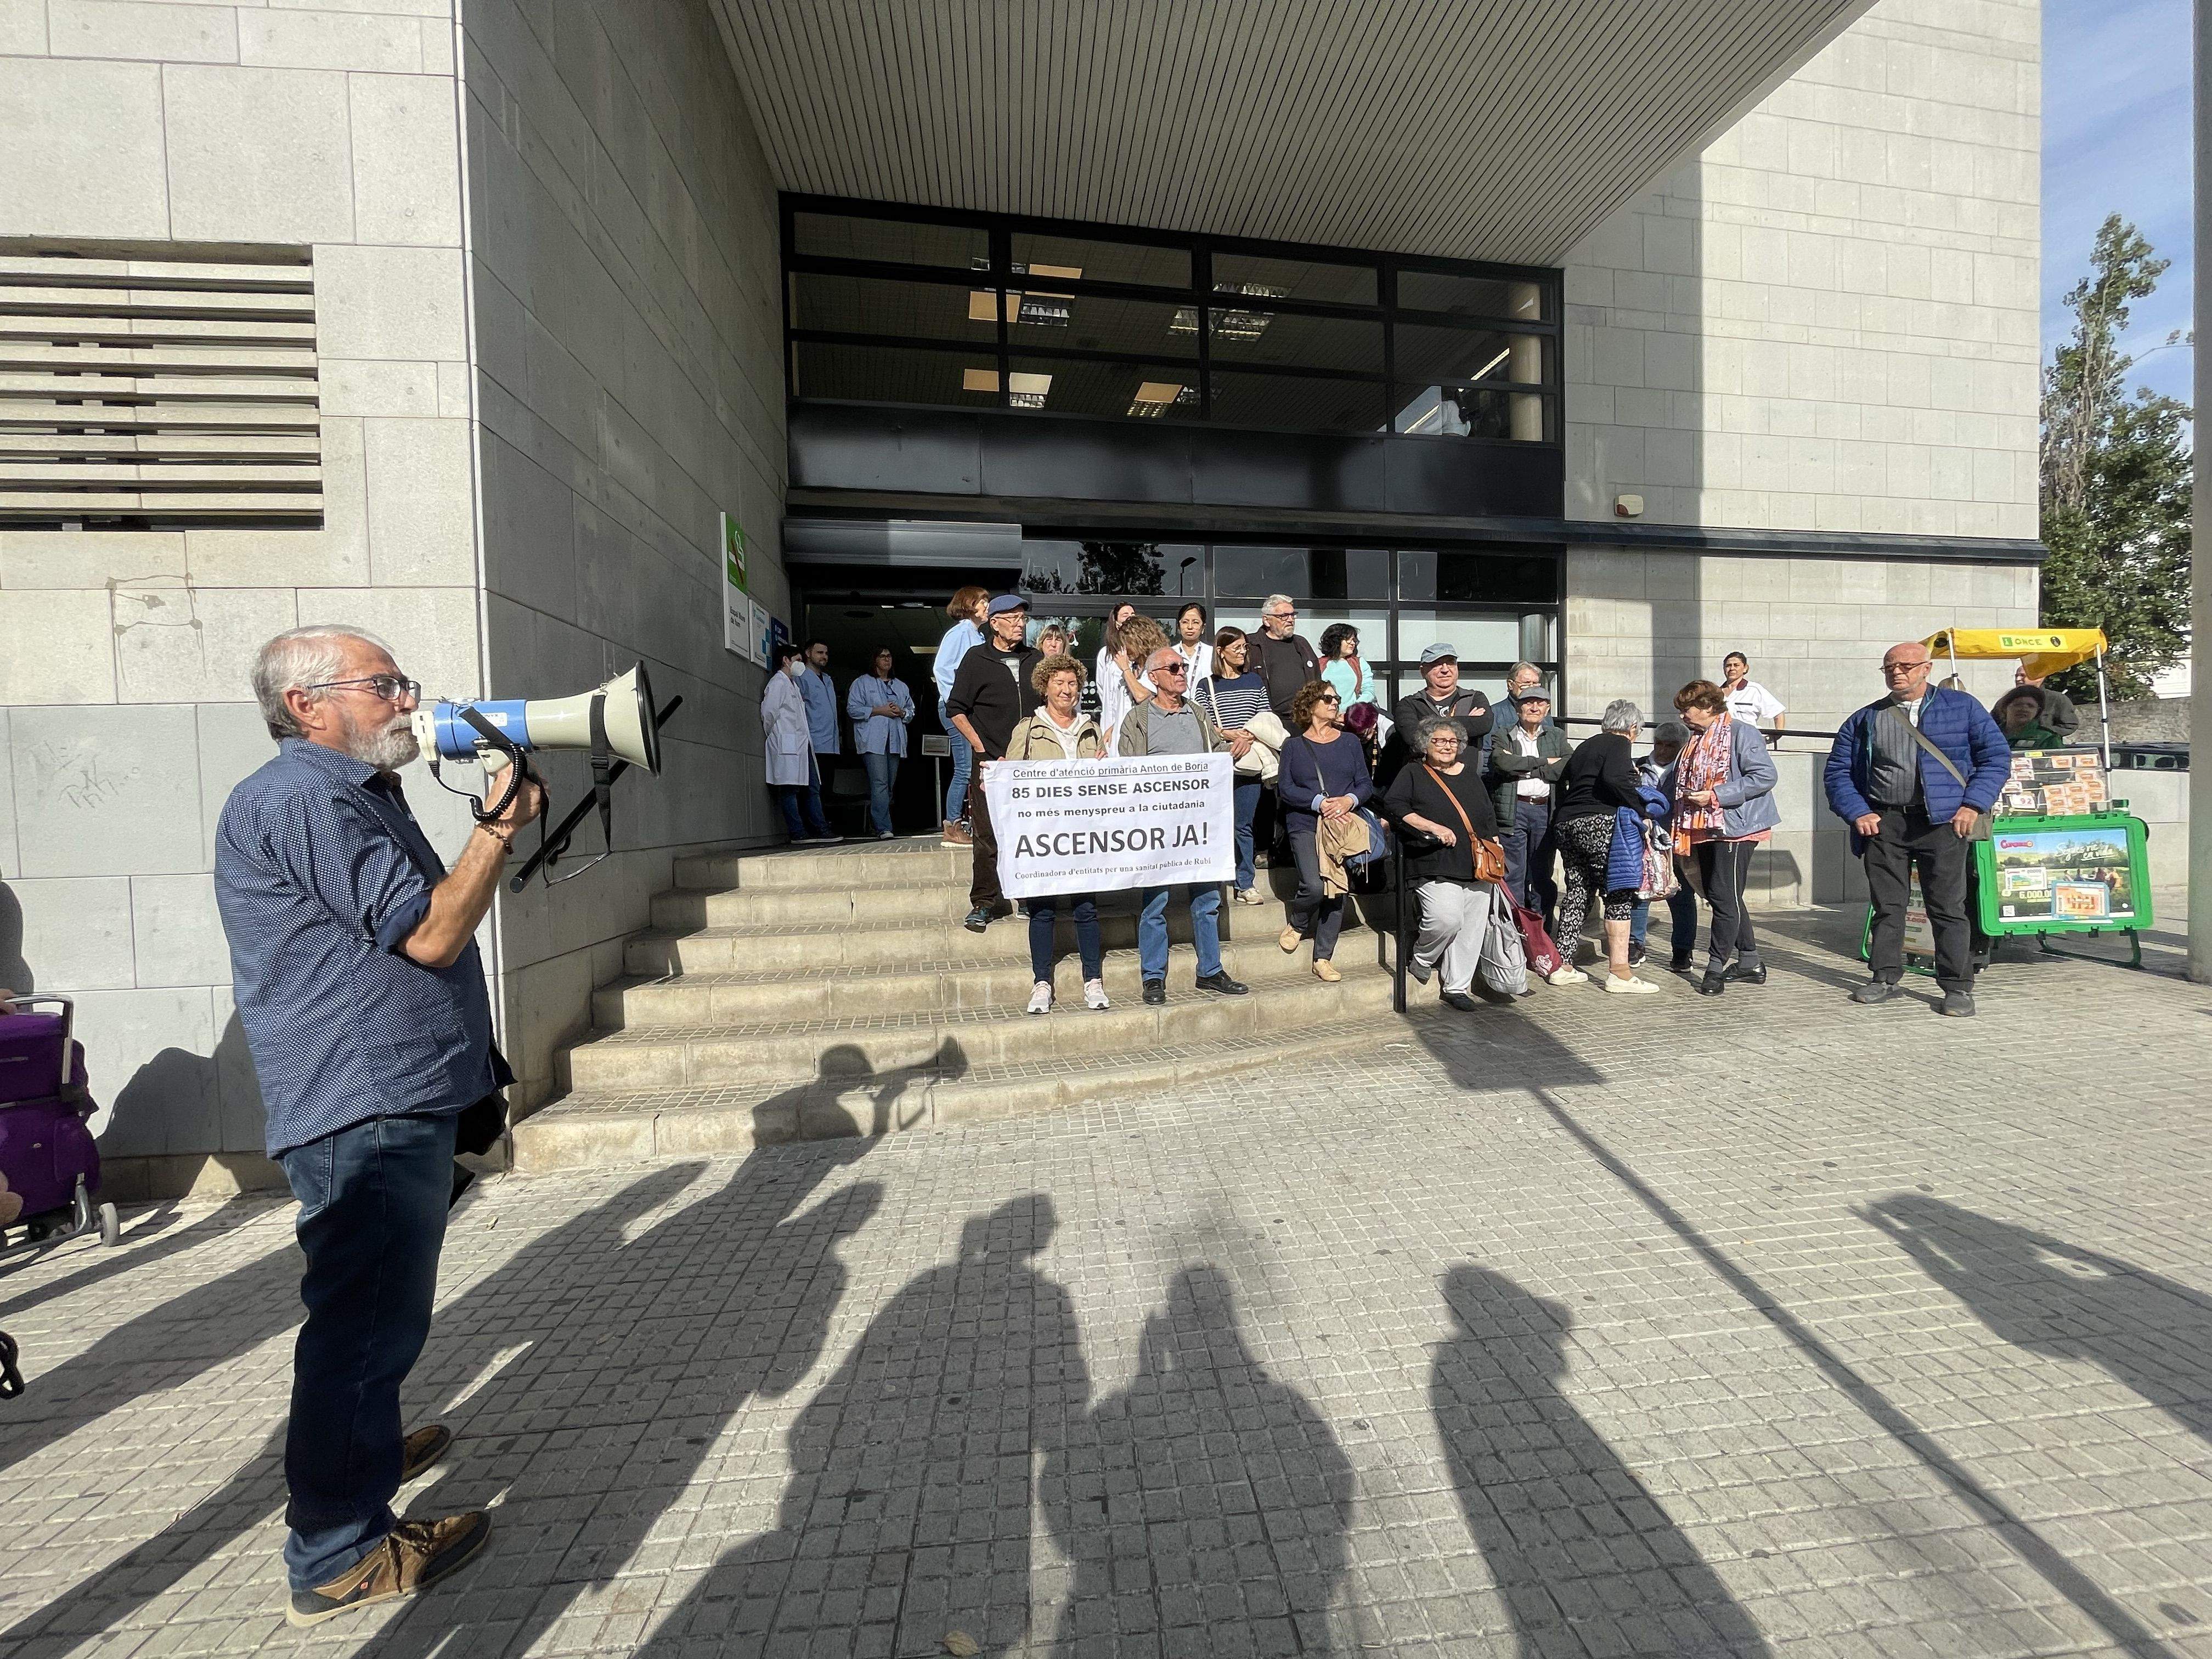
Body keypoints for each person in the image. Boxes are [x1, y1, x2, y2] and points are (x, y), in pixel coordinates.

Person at [214, 624, 545, 1623]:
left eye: (402, 682)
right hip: (363, 1102)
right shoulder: (307, 796)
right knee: (362, 1322)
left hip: (387, 1093)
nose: (407, 699)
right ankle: (337, 1547)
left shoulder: (337, 789)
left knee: (371, 1316)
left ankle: (357, 1448)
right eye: (382, 684)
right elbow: (435, 929)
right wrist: (492, 829)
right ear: (308, 705)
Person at [1824, 640, 2010, 1016]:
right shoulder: (1865, 718)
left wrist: (1972, 805)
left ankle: (1958, 987)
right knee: (1888, 906)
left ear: (1927, 668)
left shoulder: (1963, 708)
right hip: (1884, 822)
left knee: (1947, 907)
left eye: (1906, 666)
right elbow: (1838, 772)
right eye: (1890, 667)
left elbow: (1995, 758)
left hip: (1943, 822)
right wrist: (1858, 811)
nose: (1897, 672)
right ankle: (1884, 978)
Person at [1115, 646, 1251, 1005]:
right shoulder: (1138, 719)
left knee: (1207, 900)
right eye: (1173, 667)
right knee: (1155, 902)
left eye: (1184, 667)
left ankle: (1210, 971)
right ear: (1154, 676)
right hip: (1158, 827)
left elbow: (1214, 757)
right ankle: (1154, 977)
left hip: (1198, 826)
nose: (1181, 672)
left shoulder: (1198, 713)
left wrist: (1232, 749)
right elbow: (1129, 772)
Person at [1004, 653, 1109, 1013]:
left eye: (1073, 683)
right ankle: (1041, 983)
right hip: (1043, 835)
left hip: (1083, 834)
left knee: (1086, 909)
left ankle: (1093, 980)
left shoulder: (1091, 728)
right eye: (1060, 683)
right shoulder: (1029, 729)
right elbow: (1012, 778)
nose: (1067, 690)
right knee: (1043, 911)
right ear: (1045, 687)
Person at [1667, 681, 1781, 996]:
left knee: (1722, 897)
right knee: (1726, 896)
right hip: (1701, 827)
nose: (1682, 717)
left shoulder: (1742, 733)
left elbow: (1765, 776)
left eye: (1686, 710)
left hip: (1736, 828)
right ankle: (1750, 961)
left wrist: (1717, 795)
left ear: (1707, 707)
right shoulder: (1694, 739)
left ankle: (1715, 967)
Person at [1381, 716, 1499, 1012]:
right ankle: (1422, 956)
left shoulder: (1471, 775)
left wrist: (1496, 846)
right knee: (1446, 919)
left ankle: (1457, 987)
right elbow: (1395, 807)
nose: (1447, 746)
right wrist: (1431, 827)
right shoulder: (1413, 772)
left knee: (1472, 929)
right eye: (1439, 741)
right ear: (1425, 744)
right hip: (1432, 861)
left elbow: (1487, 816)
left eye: (1453, 742)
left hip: (1476, 864)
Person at [945, 594, 1044, 933]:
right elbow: (956, 709)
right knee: (987, 835)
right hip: (991, 763)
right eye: (1013, 618)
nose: (1020, 624)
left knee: (1031, 833)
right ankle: (985, 902)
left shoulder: (1036, 659)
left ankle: (1031, 898)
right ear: (994, 623)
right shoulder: (976, 658)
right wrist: (981, 750)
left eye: (1023, 619)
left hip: (1031, 764)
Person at [1549, 699, 1660, 992]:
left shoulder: (1586, 745)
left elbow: (1564, 780)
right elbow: (1616, 780)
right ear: (1633, 728)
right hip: (1599, 823)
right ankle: (1620, 973)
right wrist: (1642, 808)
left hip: (1567, 822)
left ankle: (1563, 966)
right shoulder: (1618, 744)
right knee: (1618, 893)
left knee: (1578, 893)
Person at [1276, 679, 1373, 984]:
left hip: (1342, 825)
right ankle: (1299, 923)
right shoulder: (1293, 745)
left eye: (1337, 698)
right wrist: (1318, 802)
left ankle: (1323, 957)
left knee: (1337, 889)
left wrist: (1348, 800)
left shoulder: (1350, 742)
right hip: (1305, 823)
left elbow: (1365, 784)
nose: (1335, 703)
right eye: (1328, 698)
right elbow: (1286, 788)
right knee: (1315, 885)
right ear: (1310, 705)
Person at [1194, 625, 1271, 905]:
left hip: (1249, 760)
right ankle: (1212, 880)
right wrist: (1231, 735)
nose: (1242, 652)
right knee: (1215, 824)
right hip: (1220, 761)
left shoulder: (1254, 680)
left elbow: (1266, 717)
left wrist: (1248, 737)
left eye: (1244, 647)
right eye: (1237, 647)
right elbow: (1202, 722)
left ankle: (1245, 882)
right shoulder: (1207, 685)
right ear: (1221, 651)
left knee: (1243, 824)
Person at [1485, 685, 1569, 922]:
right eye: (1529, 703)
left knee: (1542, 873)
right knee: (1515, 873)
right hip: (1514, 810)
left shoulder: (1557, 736)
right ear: (1518, 708)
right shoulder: (1503, 734)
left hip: (1545, 810)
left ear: (1548, 708)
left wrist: (1525, 768)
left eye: (1540, 703)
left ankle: (1542, 928)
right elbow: (1503, 763)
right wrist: (1544, 763)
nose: (1534, 707)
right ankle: (1515, 926)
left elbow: (1567, 765)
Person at [1628, 721, 1700, 972]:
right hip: (1641, 837)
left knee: (1682, 895)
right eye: (1660, 744)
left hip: (1676, 839)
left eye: (1671, 746)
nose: (1664, 750)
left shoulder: (1687, 769)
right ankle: (1635, 944)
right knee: (1640, 893)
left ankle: (1682, 951)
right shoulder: (1636, 766)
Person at [1382, 644, 1494, 786]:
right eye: (1437, 664)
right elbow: (1412, 736)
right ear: (1423, 671)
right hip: (1426, 785)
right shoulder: (1409, 704)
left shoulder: (1474, 698)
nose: (1445, 670)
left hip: (1467, 783)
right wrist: (1464, 722)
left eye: (1451, 663)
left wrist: (1427, 725)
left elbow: (1483, 724)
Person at [763, 643, 837, 844]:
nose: (800, 665)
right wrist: (779, 736)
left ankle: (821, 829)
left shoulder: (793, 684)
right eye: (797, 660)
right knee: (790, 790)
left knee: (812, 786)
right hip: (787, 745)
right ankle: (798, 833)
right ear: (786, 661)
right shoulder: (778, 683)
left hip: (802, 746)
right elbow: (768, 714)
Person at [933, 585, 989, 847]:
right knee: (964, 767)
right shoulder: (960, 633)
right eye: (982, 602)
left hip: (966, 710)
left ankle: (967, 824)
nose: (987, 606)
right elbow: (942, 669)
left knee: (973, 767)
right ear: (969, 605)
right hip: (957, 710)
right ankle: (952, 826)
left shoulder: (976, 635)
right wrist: (956, 705)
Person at [845, 646, 914, 839]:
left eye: (889, 656)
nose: (887, 660)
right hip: (873, 741)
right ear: (874, 660)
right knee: (880, 783)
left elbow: (911, 712)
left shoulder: (901, 686)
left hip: (895, 740)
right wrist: (879, 710)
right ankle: (883, 827)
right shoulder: (862, 683)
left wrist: (901, 712)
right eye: (882, 656)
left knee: (889, 785)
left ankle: (881, 822)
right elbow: (853, 710)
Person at [1251, 594, 1320, 721]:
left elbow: (1316, 680)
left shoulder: (1302, 644)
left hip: (1303, 720)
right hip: (1268, 721)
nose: (1291, 620)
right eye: (1284, 616)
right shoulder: (1252, 645)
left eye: (1293, 615)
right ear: (1267, 620)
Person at [1094, 602, 1154, 738]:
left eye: (1133, 614)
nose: (1130, 617)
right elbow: (1102, 687)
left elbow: (1142, 695)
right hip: (1112, 714)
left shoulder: (1139, 656)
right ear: (1116, 622)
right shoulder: (1106, 654)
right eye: (1125, 615)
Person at [1719, 651, 1786, 738]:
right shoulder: (1716, 692)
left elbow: (1778, 713)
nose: (1732, 668)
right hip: (1723, 742)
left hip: (1748, 741)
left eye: (1736, 665)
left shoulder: (1754, 690)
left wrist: (1776, 736)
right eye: (1728, 666)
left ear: (1745, 668)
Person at [1317, 622, 1377, 713]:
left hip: (1352, 717)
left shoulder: (1359, 663)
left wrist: (1352, 711)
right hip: (1325, 717)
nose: (1353, 643)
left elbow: (1369, 691)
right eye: (1348, 639)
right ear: (1336, 640)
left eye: (1354, 640)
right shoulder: (1319, 664)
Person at [797, 639, 840, 760]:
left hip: (832, 744)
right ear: (808, 653)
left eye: (826, 654)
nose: (824, 656)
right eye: (820, 653)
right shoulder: (801, 676)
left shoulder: (828, 680)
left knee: (828, 779)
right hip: (813, 742)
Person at [2014, 663, 2080, 737]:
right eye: (2017, 676)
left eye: (2023, 676)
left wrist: (2044, 734)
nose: (2018, 679)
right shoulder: (2009, 699)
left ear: (2039, 678)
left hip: (2045, 746)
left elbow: (2070, 725)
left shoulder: (2056, 698)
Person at [1991, 685, 2062, 751]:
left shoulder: (2047, 738)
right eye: (2018, 705)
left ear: (2038, 711)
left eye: (2031, 706)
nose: (2024, 709)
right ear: (2005, 708)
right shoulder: (1990, 734)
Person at [1171, 600, 1213, 682]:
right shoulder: (1170, 653)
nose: (1190, 627)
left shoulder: (1212, 653)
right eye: (1185, 622)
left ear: (1203, 628)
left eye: (1196, 622)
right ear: (1179, 627)